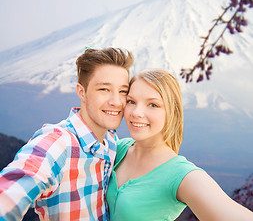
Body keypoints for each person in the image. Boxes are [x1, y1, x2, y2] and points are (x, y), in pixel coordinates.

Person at [0, 47, 134, 220]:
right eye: (104, 89)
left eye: (123, 91)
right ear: (82, 92)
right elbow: (11, 191)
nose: (116, 102)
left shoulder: (112, 143)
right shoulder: (59, 143)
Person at [106, 69, 253, 221]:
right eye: (131, 101)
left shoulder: (182, 175)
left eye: (153, 105)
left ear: (172, 113)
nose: (136, 112)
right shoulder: (117, 148)